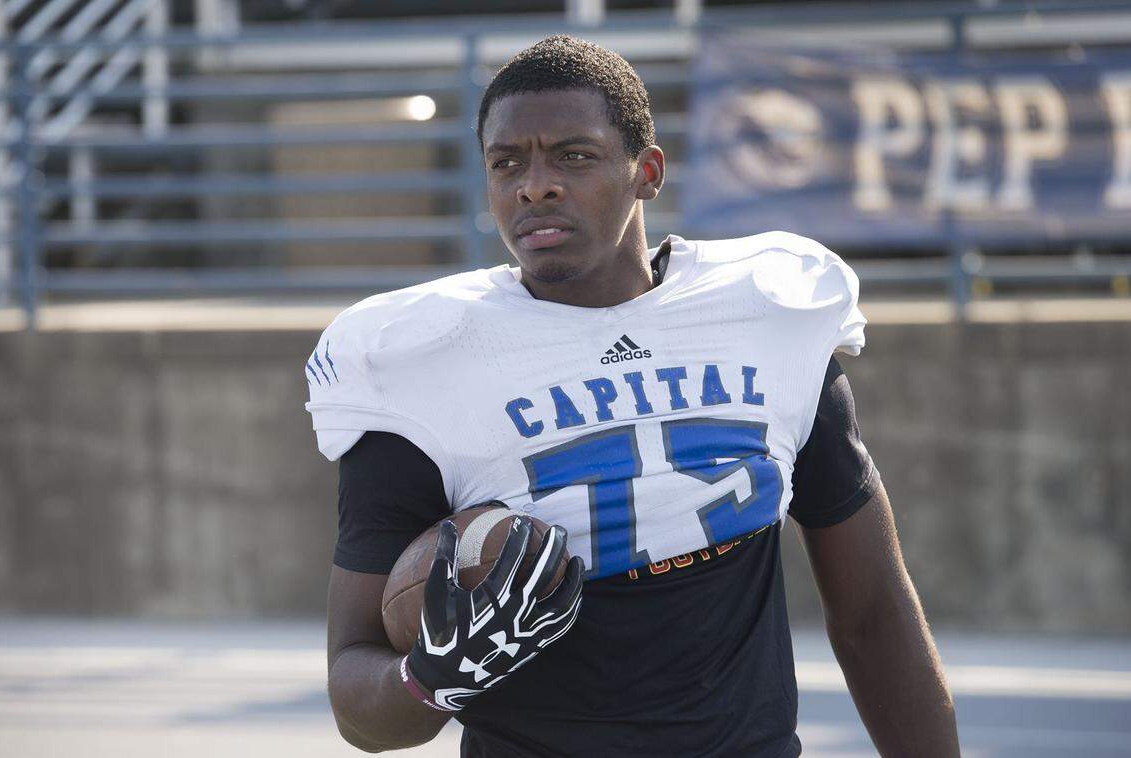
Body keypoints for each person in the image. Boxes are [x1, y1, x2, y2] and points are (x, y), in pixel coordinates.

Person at [307, 35, 959, 757]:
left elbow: (873, 612)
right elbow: (354, 699)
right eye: (507, 164)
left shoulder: (768, 314)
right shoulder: (418, 364)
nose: (535, 185)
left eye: (573, 155)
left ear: (646, 172)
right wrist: (433, 676)